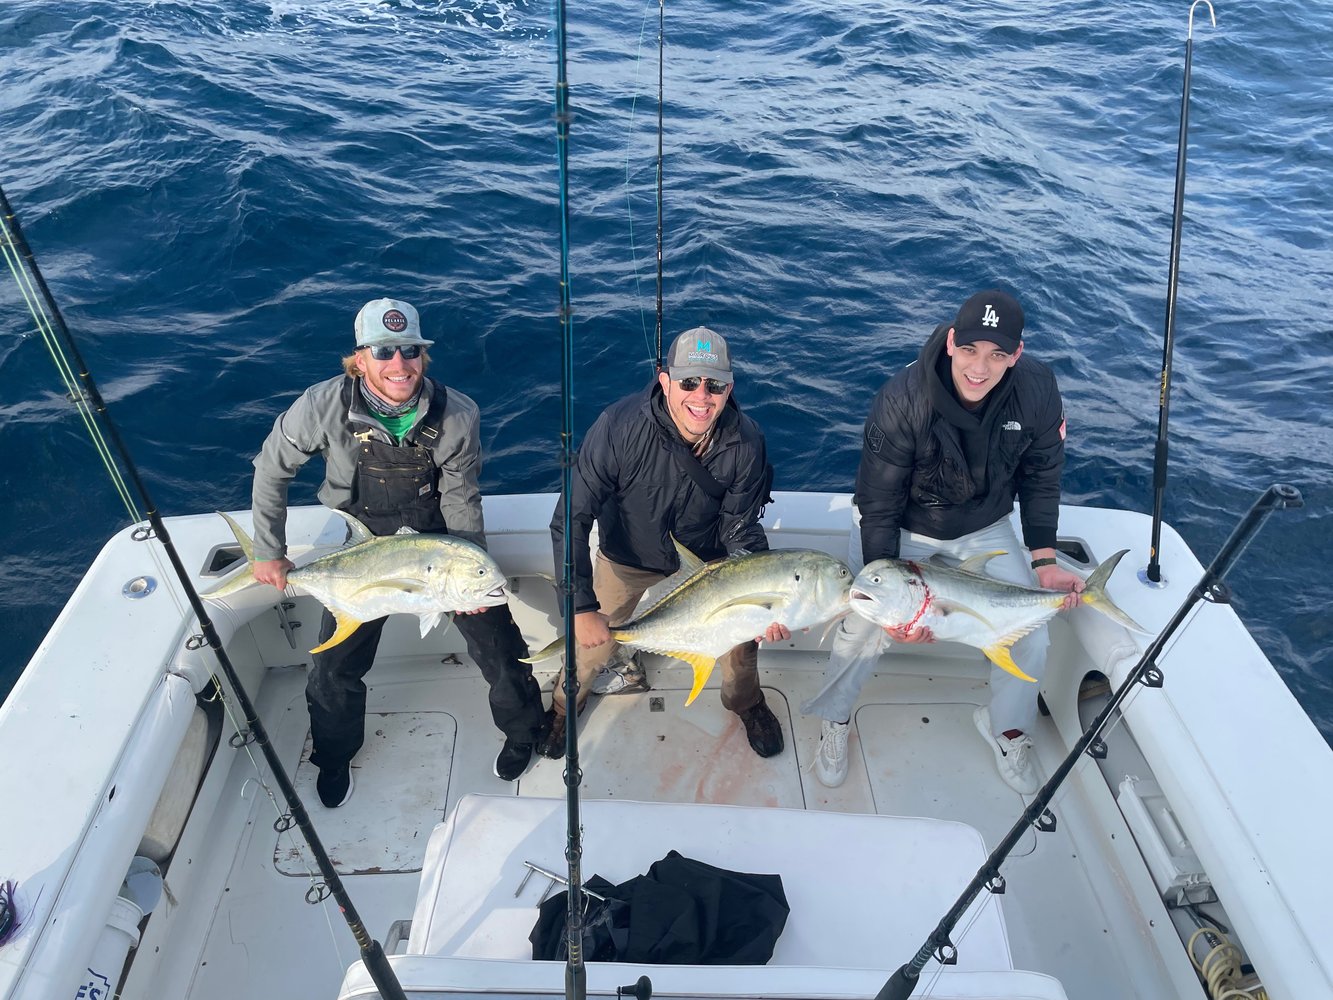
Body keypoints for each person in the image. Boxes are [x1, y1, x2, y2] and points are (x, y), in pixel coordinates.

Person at [248, 297, 547, 806]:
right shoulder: (321, 405)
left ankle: (524, 733)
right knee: (332, 666)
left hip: (440, 541)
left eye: (410, 350)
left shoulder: (458, 414)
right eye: (383, 352)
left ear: (422, 356)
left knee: (500, 648)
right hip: (363, 543)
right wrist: (267, 550)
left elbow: (460, 498)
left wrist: (468, 575)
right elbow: (271, 469)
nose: (399, 364)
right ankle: (335, 755)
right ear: (359, 359)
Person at [804, 289, 1084, 794]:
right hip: (903, 528)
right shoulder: (902, 399)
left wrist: (1043, 559)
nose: (981, 367)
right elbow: (879, 505)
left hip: (986, 525)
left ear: (1016, 356)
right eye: (972, 350)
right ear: (952, 342)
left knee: (1033, 635)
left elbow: (1043, 477)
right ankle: (835, 720)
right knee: (861, 625)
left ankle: (1009, 729)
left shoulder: (1038, 390)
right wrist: (897, 610)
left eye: (998, 354)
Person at [541, 327, 790, 760]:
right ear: (665, 381)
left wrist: (761, 599)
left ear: (729, 388)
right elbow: (571, 518)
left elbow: (741, 528)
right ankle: (565, 705)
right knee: (586, 647)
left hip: (708, 558)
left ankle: (745, 701)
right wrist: (580, 606)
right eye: (689, 382)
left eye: (714, 385)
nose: (702, 396)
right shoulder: (618, 427)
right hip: (628, 553)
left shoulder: (746, 442)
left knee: (741, 647)